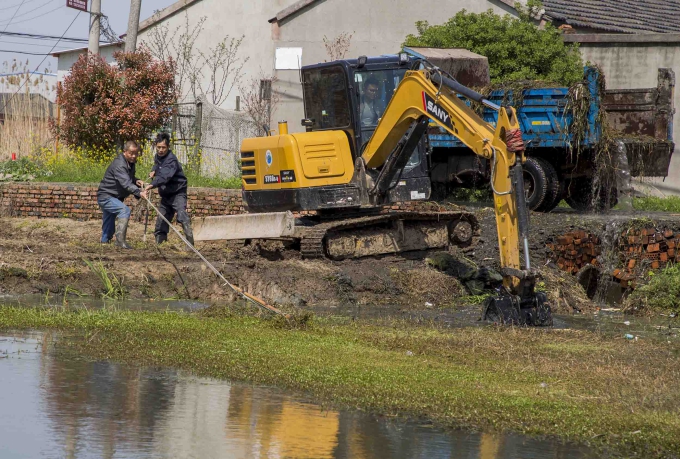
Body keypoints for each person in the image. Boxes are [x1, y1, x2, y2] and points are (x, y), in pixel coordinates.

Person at [144, 132, 193, 245]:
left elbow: (165, 176)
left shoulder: (171, 160)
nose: (161, 150)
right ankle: (161, 245)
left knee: (181, 215)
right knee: (161, 223)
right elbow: (157, 165)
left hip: (177, 193)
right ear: (156, 146)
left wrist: (151, 185)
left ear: (168, 147)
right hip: (166, 194)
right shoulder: (158, 156)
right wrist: (153, 170)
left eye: (163, 147)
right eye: (159, 147)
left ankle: (190, 244)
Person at [97, 140, 147, 249]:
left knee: (108, 224)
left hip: (113, 196)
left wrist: (136, 180)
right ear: (125, 152)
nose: (134, 156)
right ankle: (120, 241)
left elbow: (128, 179)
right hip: (106, 196)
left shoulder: (130, 163)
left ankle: (104, 245)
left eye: (136, 153)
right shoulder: (119, 164)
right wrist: (139, 192)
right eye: (131, 153)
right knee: (124, 210)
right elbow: (125, 183)